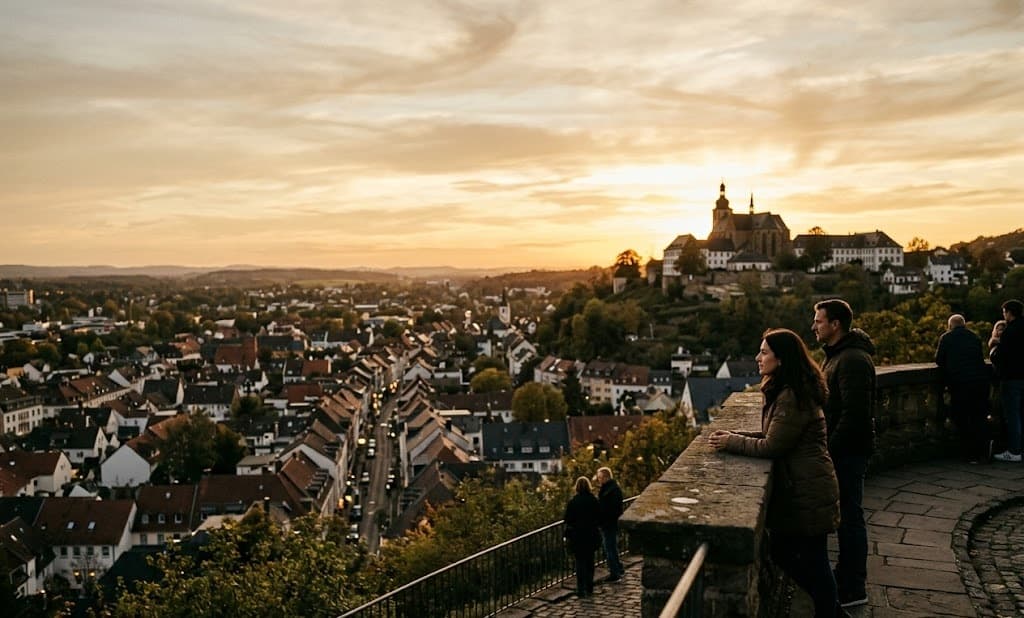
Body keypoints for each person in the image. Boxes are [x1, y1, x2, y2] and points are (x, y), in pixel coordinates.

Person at [709, 328, 842, 617]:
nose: (758, 357)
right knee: (799, 556)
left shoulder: (791, 396)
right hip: (808, 486)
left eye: (764, 352)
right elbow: (777, 433)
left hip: (809, 490)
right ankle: (832, 611)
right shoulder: (790, 389)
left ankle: (831, 613)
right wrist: (734, 433)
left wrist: (732, 441)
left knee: (812, 562)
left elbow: (772, 445)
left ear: (781, 359)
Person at [812, 299, 874, 609]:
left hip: (847, 453)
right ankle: (845, 578)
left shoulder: (852, 360)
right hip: (843, 450)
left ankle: (853, 586)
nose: (814, 326)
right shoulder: (838, 357)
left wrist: (829, 450)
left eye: (819, 321)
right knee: (846, 518)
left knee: (850, 519)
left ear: (835, 324)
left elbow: (854, 415)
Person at [935, 314, 992, 463]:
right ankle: (984, 451)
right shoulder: (974, 337)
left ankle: (971, 453)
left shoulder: (946, 338)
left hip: (961, 384)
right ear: (964, 325)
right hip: (980, 382)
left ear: (950, 326)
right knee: (979, 417)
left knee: (962, 417)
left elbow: (939, 360)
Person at [992, 300, 1024, 462]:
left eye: (1004, 312)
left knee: (1012, 416)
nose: (1003, 315)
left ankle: (1014, 451)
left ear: (1010, 313)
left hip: (1012, 378)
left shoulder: (1010, 331)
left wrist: (993, 350)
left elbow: (1000, 356)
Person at [564, 476, 601, 598]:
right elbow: (598, 517)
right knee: (590, 562)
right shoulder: (594, 500)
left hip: (577, 536)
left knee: (580, 563)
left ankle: (580, 589)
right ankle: (589, 587)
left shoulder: (573, 502)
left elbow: (568, 519)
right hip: (591, 535)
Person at [595, 466, 625, 582]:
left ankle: (615, 573)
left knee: (609, 548)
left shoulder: (610, 490)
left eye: (600, 477)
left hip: (608, 523)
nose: (599, 480)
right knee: (611, 547)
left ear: (606, 477)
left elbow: (609, 508)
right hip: (610, 522)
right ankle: (618, 568)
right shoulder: (612, 488)